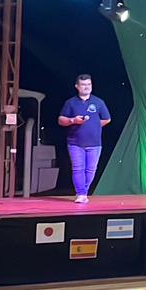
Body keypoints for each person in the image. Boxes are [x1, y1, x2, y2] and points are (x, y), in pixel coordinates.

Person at [58, 74, 111, 204]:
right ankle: (81, 194)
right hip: (75, 142)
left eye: (89, 84)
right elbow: (61, 120)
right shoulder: (70, 103)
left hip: (95, 143)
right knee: (78, 168)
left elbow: (107, 119)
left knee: (91, 170)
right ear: (77, 86)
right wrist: (73, 120)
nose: (86, 87)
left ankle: (83, 191)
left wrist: (94, 126)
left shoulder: (98, 102)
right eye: (83, 85)